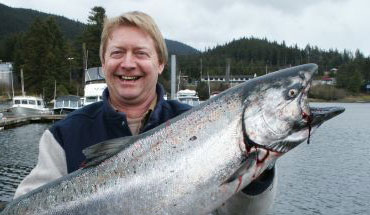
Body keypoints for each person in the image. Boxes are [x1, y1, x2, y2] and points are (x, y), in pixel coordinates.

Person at [14, 11, 276, 214]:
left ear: (160, 63)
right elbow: (26, 204)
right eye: (117, 53)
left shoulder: (202, 124)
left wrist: (258, 174)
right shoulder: (63, 135)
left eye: (140, 53)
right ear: (104, 62)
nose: (128, 64)